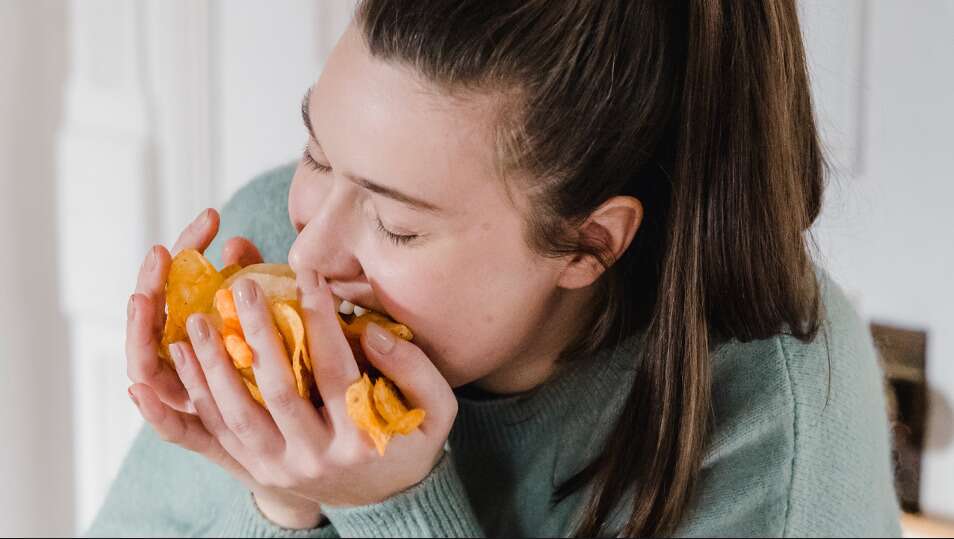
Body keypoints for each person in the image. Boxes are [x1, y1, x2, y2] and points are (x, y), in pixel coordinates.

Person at [87, 1, 902, 537]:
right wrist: (282, 502)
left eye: (397, 225)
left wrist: (392, 507)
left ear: (589, 243)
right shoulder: (268, 236)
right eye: (317, 153)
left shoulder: (779, 426)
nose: (307, 254)